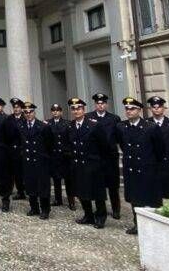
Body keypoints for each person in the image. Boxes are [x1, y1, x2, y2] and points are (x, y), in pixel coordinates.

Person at [117, 97, 165, 235]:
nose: (129, 111)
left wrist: (152, 163)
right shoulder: (121, 126)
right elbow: (122, 144)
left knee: (150, 197)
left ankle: (155, 225)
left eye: (132, 108)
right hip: (131, 167)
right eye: (127, 109)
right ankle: (137, 224)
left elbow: (159, 149)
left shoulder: (150, 127)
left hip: (147, 167)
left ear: (139, 110)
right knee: (134, 198)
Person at [68, 98, 110, 229]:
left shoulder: (94, 125)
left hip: (93, 164)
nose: (76, 111)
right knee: (82, 192)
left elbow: (104, 146)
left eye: (79, 108)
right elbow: (68, 145)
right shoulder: (70, 126)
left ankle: (101, 217)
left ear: (83, 110)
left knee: (97, 193)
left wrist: (100, 163)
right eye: (74, 109)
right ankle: (88, 215)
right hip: (78, 164)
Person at [88, 93, 122, 220]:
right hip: (96, 156)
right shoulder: (89, 117)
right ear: (95, 104)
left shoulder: (114, 118)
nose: (100, 105)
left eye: (102, 103)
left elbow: (118, 136)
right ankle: (100, 209)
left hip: (110, 156)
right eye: (98, 103)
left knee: (113, 185)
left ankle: (116, 209)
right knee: (98, 185)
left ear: (106, 105)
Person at [20, 102, 54, 219]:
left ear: (34, 112)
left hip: (41, 161)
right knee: (30, 185)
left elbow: (50, 145)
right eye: (26, 112)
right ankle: (34, 207)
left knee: (43, 187)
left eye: (30, 112)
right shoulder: (21, 126)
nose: (28, 114)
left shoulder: (43, 126)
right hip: (28, 161)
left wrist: (46, 158)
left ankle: (45, 209)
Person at [48, 104, 75, 210]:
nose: (55, 112)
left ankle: (71, 201)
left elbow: (70, 139)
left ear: (61, 112)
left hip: (65, 156)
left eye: (57, 110)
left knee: (68, 180)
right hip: (54, 156)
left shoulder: (68, 123)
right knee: (56, 179)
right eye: (53, 110)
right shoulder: (48, 123)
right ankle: (58, 199)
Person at [6, 98, 27, 200]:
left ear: (22, 109)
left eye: (18, 107)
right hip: (11, 149)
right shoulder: (9, 118)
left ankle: (24, 190)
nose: (16, 109)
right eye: (14, 107)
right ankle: (17, 191)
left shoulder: (25, 118)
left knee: (23, 172)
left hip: (22, 148)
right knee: (14, 172)